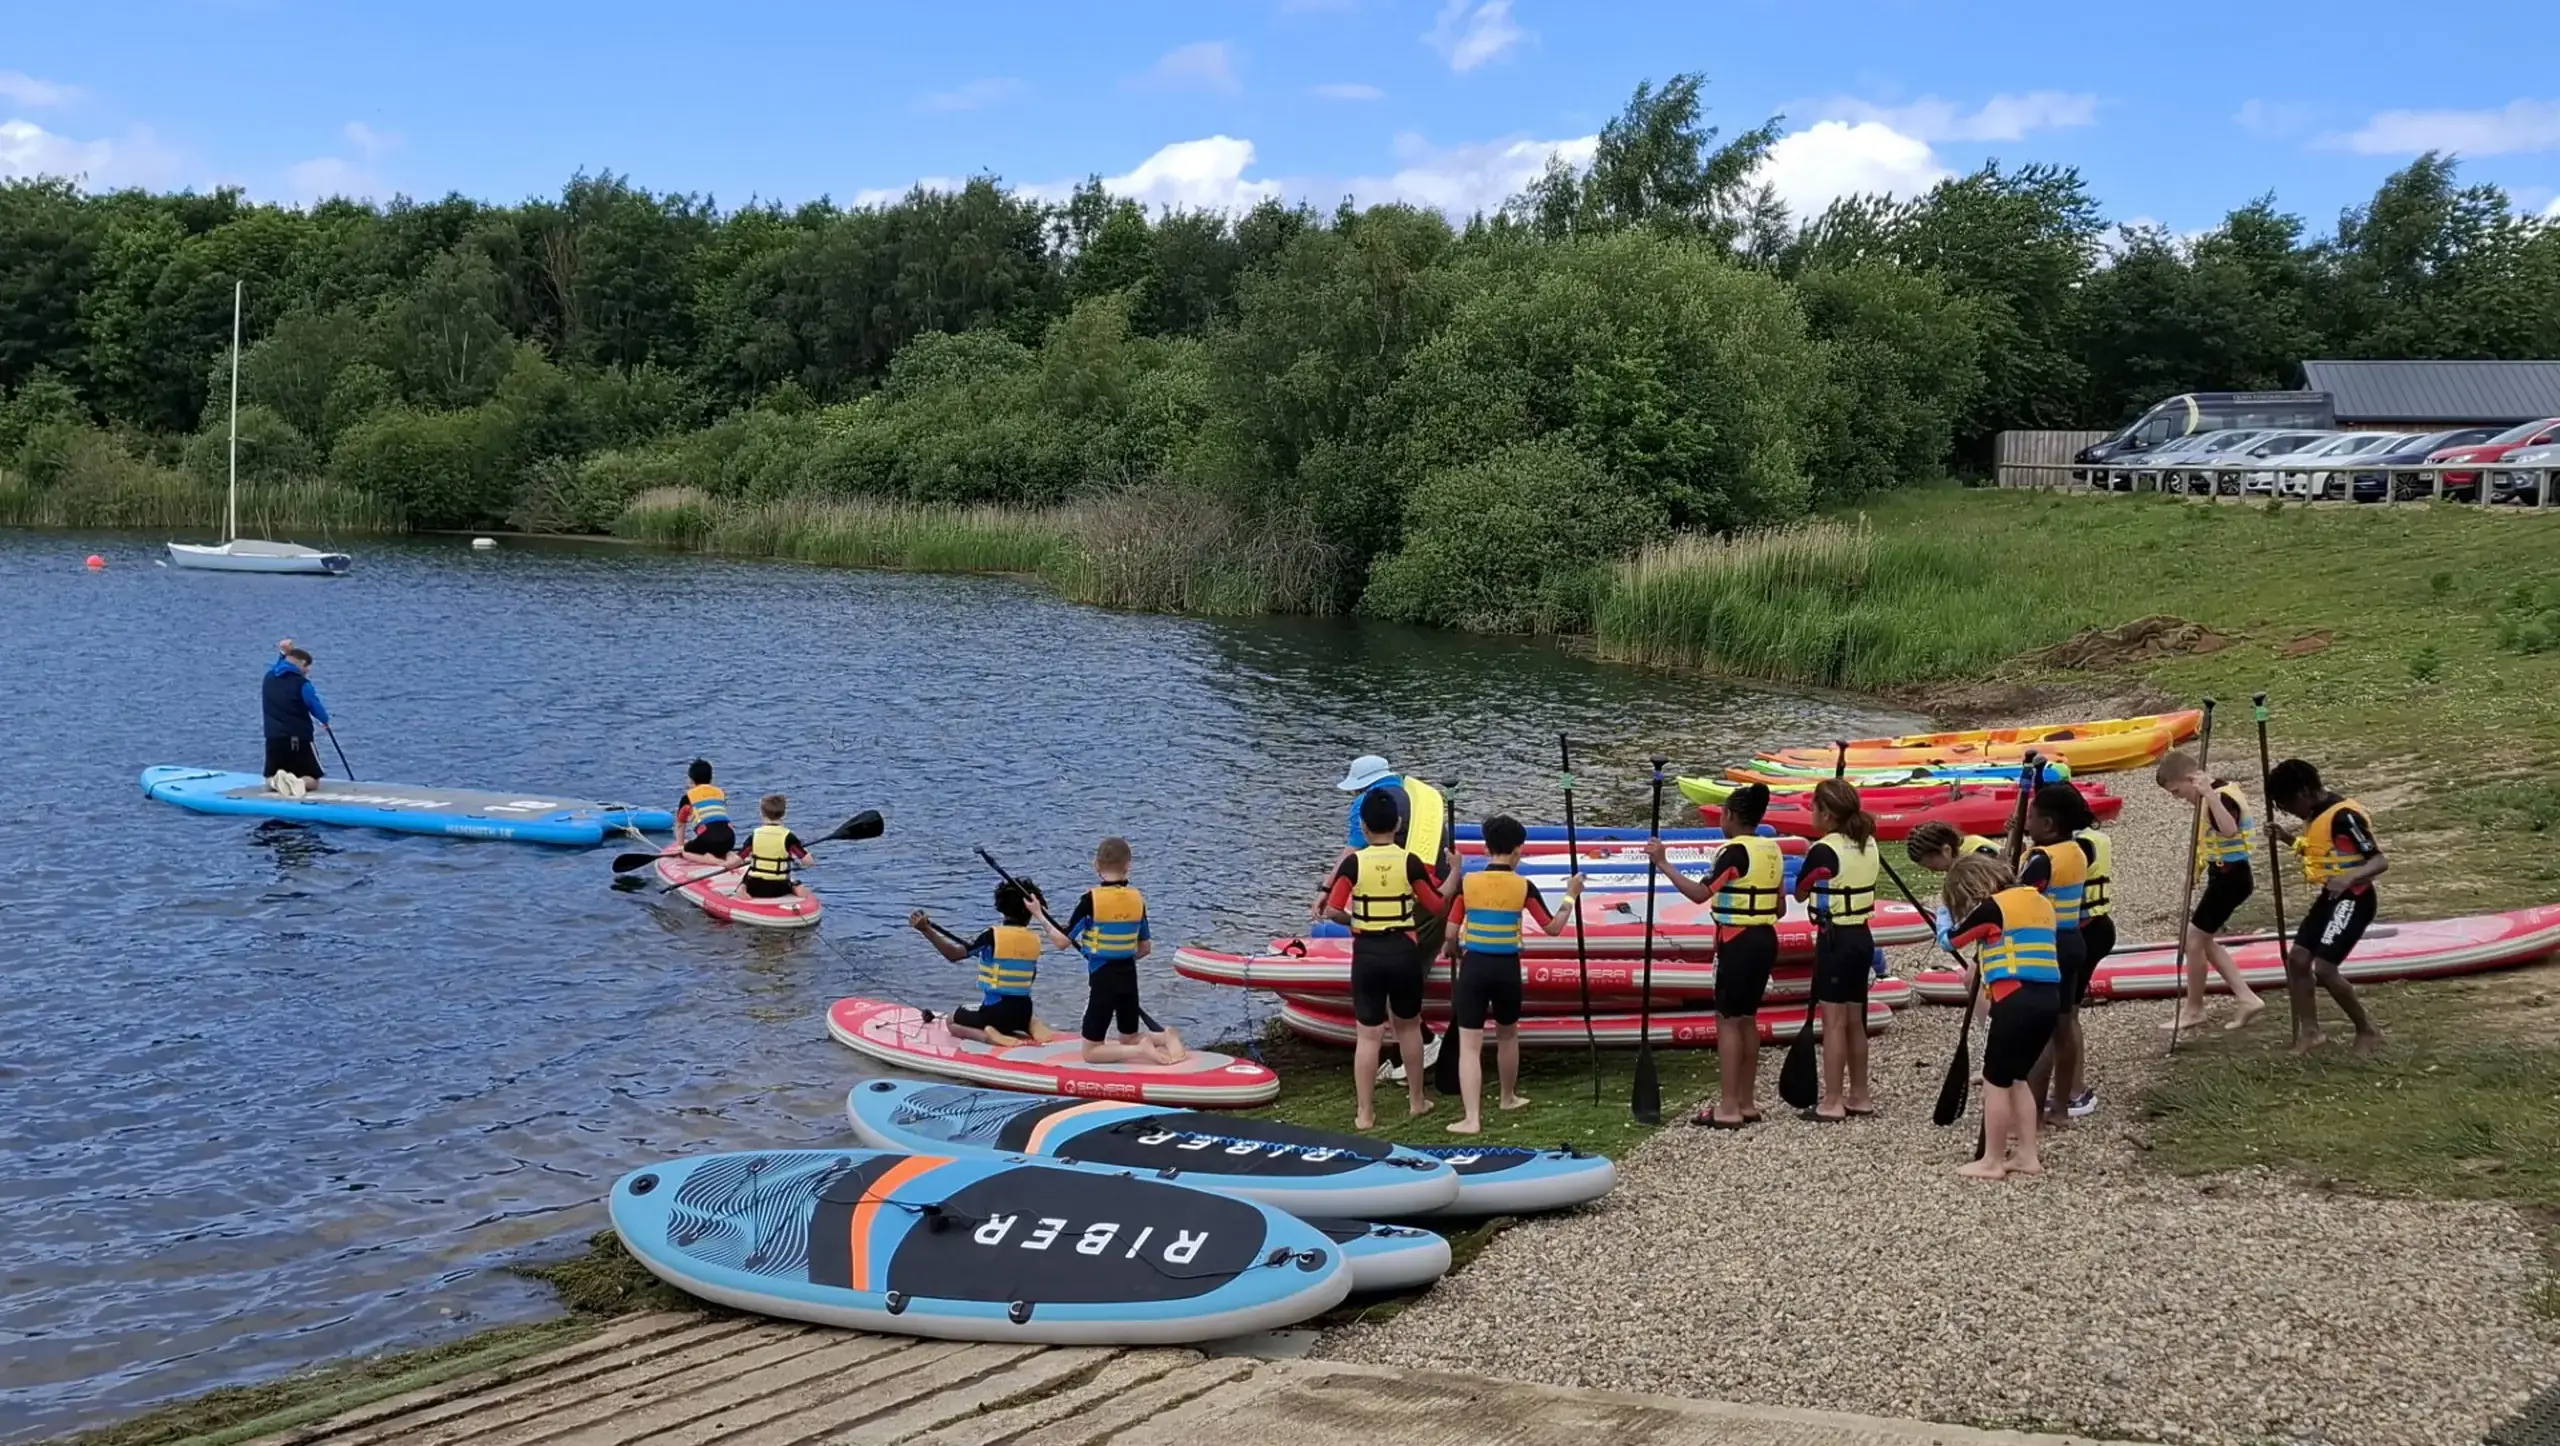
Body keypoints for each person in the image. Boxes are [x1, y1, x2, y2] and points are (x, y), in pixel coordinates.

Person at [1649, 783, 1786, 1129]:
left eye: (1723, 813)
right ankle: (1746, 1102)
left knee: (1726, 1021)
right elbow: (1780, 906)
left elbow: (1699, 894)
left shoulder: (1733, 853)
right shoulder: (1772, 850)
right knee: (1747, 1019)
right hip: (1766, 938)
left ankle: (1727, 1108)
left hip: (1737, 941)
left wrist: (1663, 863)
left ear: (1730, 815)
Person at [1319, 786, 1454, 1128]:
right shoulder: (1410, 862)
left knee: (1368, 1034)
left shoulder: (1353, 863)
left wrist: (1358, 921)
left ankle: (1364, 1113)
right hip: (1403, 953)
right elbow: (1438, 905)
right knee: (1408, 1027)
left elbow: (1333, 909)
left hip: (1367, 954)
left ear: (1363, 828)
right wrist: (1456, 870)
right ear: (1397, 824)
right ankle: (1417, 1101)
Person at [1440, 814, 1583, 1135]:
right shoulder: (1524, 886)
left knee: (1470, 1044)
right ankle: (1508, 1097)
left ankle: (1472, 1118)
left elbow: (1450, 931)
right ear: (1517, 850)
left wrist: (1452, 949)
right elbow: (1553, 927)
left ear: (1487, 847)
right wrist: (1571, 894)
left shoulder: (1467, 883)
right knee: (1507, 1034)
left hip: (1475, 967)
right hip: (1507, 969)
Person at [1942, 851, 2061, 1182]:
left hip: (2015, 1001)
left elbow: (1951, 939)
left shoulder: (1992, 907)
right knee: (2018, 1077)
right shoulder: (2039, 901)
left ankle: (1992, 1160)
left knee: (1995, 1081)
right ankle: (2027, 1155)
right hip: (2047, 999)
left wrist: (1943, 916)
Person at [2265, 759, 2386, 1055]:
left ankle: (2367, 1030)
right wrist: (2286, 839)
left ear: (2305, 791)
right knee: (2297, 959)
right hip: (2331, 898)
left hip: (2356, 899)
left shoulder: (2345, 816)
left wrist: (2347, 878)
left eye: (2287, 803)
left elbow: (2379, 861)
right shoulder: (2317, 814)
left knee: (2326, 969)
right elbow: (2323, 850)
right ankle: (2311, 1033)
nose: (2289, 811)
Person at [1037, 837, 1187, 1067]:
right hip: (1128, 974)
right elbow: (1145, 948)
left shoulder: (1090, 901)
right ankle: (1166, 1036)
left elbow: (1061, 942)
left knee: (1090, 1051)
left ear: (1096, 865)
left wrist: (1039, 914)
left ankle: (1141, 1049)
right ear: (1128, 865)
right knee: (1127, 1035)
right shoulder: (1137, 899)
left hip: (1103, 978)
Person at [2154, 750, 2268, 1033]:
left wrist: (2209, 795)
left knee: (2194, 940)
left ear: (2191, 779)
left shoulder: (2220, 796)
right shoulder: (2210, 794)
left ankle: (2194, 1010)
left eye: (2178, 791)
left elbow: (2229, 830)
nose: (2179, 798)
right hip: (2223, 877)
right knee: (2201, 940)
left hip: (2233, 879)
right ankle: (2246, 997)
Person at [1793, 778, 1880, 1121]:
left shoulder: (1823, 849)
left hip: (1836, 940)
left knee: (1833, 1022)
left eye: (1812, 808)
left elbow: (1801, 892)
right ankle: (1860, 1095)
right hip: (1862, 936)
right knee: (1855, 1019)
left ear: (1826, 814)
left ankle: (1831, 1101)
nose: (1810, 813)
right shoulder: (1868, 842)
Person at [2019, 784, 2092, 1129]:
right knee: (2064, 1026)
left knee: (2043, 1033)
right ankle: (2061, 1107)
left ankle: (2031, 1114)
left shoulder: (2042, 860)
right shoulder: (2076, 850)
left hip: (2049, 947)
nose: (2026, 821)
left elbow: (2019, 899)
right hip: (2072, 939)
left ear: (2048, 824)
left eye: (2030, 817)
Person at [911, 879, 1057, 1047]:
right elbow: (1028, 978)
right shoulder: (1035, 939)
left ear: (1000, 907)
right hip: (1023, 1011)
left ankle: (989, 1036)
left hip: (995, 1015)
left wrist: (926, 930)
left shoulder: (991, 936)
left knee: (951, 1021)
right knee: (1017, 1010)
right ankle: (1031, 1024)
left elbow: (953, 955)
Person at [2068, 800, 2117, 1119]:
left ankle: (2075, 1091)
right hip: (2097, 926)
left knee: (2066, 1016)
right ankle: (2069, 1088)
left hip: (2087, 932)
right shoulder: (2087, 838)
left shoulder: (2078, 847)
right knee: (2065, 1016)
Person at [262, 641, 330, 796]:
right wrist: (324, 720)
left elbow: (278, 667)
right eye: (307, 668)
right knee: (313, 779)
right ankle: (299, 782)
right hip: (299, 738)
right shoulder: (302, 684)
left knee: (271, 775)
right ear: (302, 664)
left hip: (274, 738)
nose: (307, 672)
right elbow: (314, 704)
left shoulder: (269, 677)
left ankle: (275, 782)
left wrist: (282, 653)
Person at [739, 794, 812, 901]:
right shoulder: (789, 837)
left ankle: (742, 890)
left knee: (743, 883)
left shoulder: (754, 835)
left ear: (761, 813)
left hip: (755, 887)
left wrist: (727, 863)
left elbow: (738, 859)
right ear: (784, 814)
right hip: (780, 888)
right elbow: (808, 862)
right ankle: (795, 887)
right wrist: (801, 854)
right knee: (793, 882)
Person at [673, 759, 735, 860]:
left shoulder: (687, 797)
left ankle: (719, 863)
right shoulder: (720, 793)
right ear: (711, 779)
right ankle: (733, 858)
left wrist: (680, 847)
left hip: (708, 841)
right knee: (723, 849)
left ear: (691, 780)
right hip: (730, 839)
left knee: (686, 851)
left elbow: (680, 825)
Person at [1904, 820, 1999, 874]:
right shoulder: (1967, 841)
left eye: (1934, 867)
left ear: (1946, 850)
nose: (1933, 872)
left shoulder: (1974, 862)